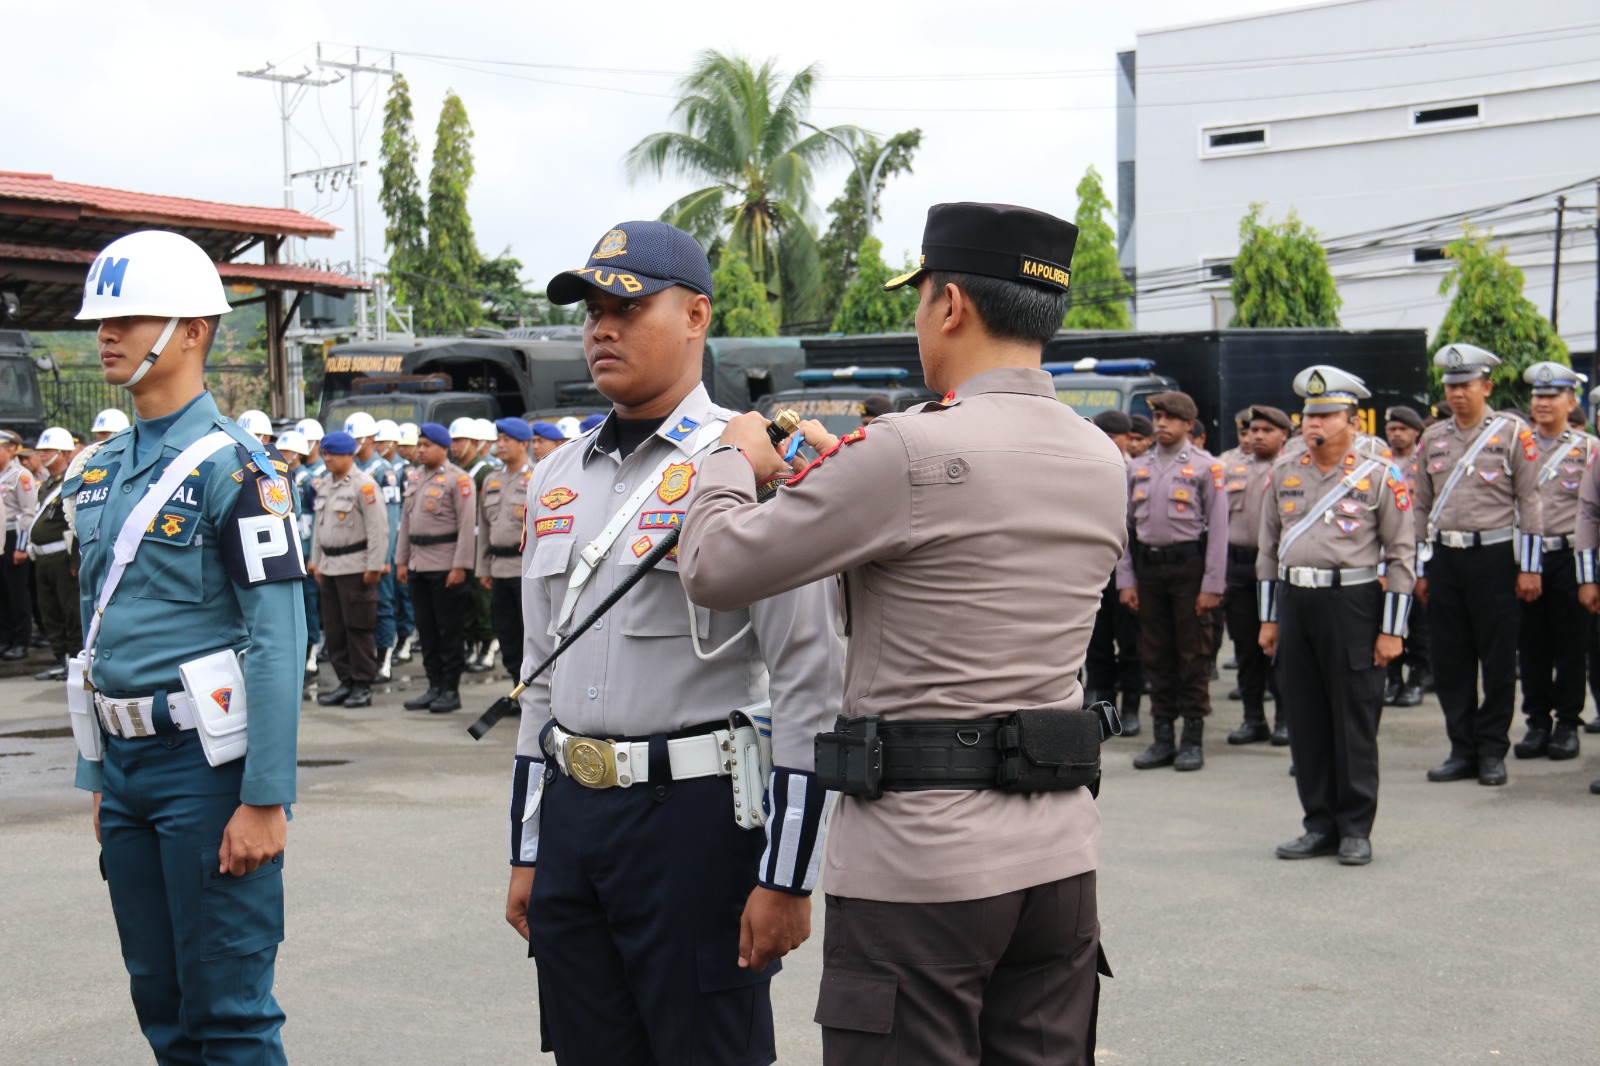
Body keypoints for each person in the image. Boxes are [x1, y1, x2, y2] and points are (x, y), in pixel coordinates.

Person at [680, 202, 1119, 1064]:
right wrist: (846, 470)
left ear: (949, 304)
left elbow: (716, 568)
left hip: (924, 866)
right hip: (1058, 857)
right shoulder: (1098, 454)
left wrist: (731, 459)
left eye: (920, 299)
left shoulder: (904, 451)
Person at [505, 219, 843, 1066]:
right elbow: (536, 678)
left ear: (696, 315)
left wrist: (789, 872)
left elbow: (810, 679)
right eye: (589, 311)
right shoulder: (555, 477)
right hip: (577, 819)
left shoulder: (752, 464)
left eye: (627, 305)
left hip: (694, 822)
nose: (601, 329)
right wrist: (527, 848)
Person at [66, 228, 305, 1062]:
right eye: (102, 318)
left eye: (129, 316)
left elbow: (278, 637)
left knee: (230, 1015)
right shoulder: (99, 469)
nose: (106, 332)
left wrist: (266, 797)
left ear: (194, 330)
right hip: (128, 771)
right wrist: (99, 771)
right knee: (160, 1004)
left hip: (208, 772)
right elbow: (98, 631)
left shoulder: (237, 471)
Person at [1259, 366, 1415, 866]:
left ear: (1351, 419)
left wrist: (1393, 630)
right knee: (1305, 719)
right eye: (1310, 414)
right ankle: (1318, 823)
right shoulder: (1285, 470)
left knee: (1352, 719)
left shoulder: (1378, 473)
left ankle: (1355, 827)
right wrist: (1268, 619)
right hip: (1296, 604)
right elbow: (1268, 551)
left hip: (1353, 605)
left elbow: (1402, 555)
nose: (1315, 424)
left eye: (1326, 414)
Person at [1412, 343, 1544, 787]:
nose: (1457, 393)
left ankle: (1492, 749)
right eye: (1451, 386)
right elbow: (1419, 507)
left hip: (1495, 558)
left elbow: (1530, 500)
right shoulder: (1432, 438)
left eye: (1466, 385)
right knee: (1451, 660)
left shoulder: (1511, 433)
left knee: (1498, 658)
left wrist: (1530, 567)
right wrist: (1421, 568)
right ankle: (1461, 748)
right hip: (1446, 559)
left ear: (1486, 386)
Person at [1118, 390, 1228, 771]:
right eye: (1157, 417)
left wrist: (1213, 585)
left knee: (1193, 653)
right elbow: (1126, 528)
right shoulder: (1138, 466)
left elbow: (1219, 530)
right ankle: (1162, 737)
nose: (1160, 424)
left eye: (1169, 418)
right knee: (1155, 653)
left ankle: (1192, 738)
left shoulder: (1205, 467)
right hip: (1148, 569)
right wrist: (1126, 579)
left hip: (1189, 568)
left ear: (1187, 424)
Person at [1509, 362, 1593, 761]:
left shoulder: (1590, 449)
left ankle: (1567, 723)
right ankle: (1537, 721)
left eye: (1551, 395)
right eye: (1537, 396)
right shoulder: (1516, 444)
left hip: (1571, 558)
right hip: (1526, 557)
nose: (1542, 403)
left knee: (1571, 643)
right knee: (1532, 643)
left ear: (1570, 401)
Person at [396, 422, 475, 713]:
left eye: (427, 445)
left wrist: (461, 566)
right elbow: (406, 523)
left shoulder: (459, 479)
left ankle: (450, 691)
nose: (420, 450)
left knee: (448, 631)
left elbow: (467, 527)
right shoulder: (415, 478)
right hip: (418, 563)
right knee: (426, 630)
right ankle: (434, 686)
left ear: (443, 447)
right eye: (419, 445)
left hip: (445, 565)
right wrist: (401, 560)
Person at [1225, 405, 1291, 745]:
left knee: (1278, 646)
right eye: (1252, 430)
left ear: (1284, 434)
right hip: (1238, 565)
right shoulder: (1230, 466)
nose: (1257, 436)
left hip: (1278, 568)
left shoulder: (1292, 468)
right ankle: (1253, 718)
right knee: (1245, 646)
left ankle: (1284, 718)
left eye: (1266, 430)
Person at [308, 430, 388, 709]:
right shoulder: (325, 485)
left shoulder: (364, 486)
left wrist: (375, 566)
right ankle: (346, 682)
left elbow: (378, 529)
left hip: (356, 565)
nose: (326, 458)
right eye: (325, 453)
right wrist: (315, 559)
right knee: (334, 629)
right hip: (330, 566)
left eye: (331, 454)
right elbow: (319, 529)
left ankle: (362, 684)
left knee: (358, 627)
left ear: (347, 455)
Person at [1085, 407, 1144, 735]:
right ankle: (1099, 701)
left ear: (1126, 439)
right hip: (1096, 568)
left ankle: (1131, 704)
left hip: (1128, 570)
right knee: (1096, 639)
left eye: (1114, 436)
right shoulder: (1087, 469)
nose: (1107, 441)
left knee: (1131, 640)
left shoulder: (1136, 471)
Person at [346, 412, 404, 681]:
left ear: (369, 438)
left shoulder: (383, 471)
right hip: (357, 553)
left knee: (383, 604)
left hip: (380, 552)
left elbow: (390, 519)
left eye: (356, 438)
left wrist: (385, 556)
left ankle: (385, 658)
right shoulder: (352, 469)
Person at [476, 418, 533, 681]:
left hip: (525, 567)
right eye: (498, 440)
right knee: (507, 632)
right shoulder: (491, 480)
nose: (500, 445)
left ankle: (536, 694)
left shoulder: (538, 476)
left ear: (523, 443)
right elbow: (484, 529)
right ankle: (515, 686)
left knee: (530, 633)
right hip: (499, 567)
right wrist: (483, 567)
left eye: (506, 440)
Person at [1383, 405, 1431, 706]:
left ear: (1416, 432)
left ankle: (1417, 678)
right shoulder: (1378, 462)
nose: (1397, 434)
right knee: (1387, 618)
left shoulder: (1423, 462)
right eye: (1392, 429)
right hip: (1385, 552)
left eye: (1403, 429)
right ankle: (1394, 679)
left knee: (1419, 621)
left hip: (1417, 551)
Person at [26, 426, 81, 681]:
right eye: (42, 450)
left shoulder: (71, 481)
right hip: (43, 558)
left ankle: (75, 660)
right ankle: (60, 659)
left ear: (63, 452)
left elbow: (77, 524)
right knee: (49, 611)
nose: (43, 455)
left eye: (48, 450)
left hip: (62, 557)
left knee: (69, 611)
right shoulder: (46, 485)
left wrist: (75, 560)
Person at [278, 429, 321, 677]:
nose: (282, 454)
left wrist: (312, 554)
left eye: (286, 451)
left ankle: (312, 650)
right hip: (290, 550)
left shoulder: (309, 479)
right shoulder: (283, 477)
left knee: (309, 603)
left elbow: (315, 520)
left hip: (305, 551)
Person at [0, 427, 39, 660]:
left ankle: (21, 640)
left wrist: (21, 546)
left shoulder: (21, 476)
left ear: (10, 449)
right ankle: (4, 638)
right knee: (1, 593)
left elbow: (27, 513)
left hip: (14, 537)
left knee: (17, 592)